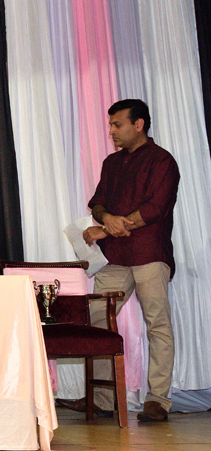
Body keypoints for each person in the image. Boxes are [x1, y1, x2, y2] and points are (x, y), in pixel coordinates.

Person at [81, 99, 179, 423]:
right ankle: (102, 399)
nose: (111, 131)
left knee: (157, 324)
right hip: (114, 256)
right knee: (97, 322)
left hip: (149, 253)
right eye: (110, 125)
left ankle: (158, 401)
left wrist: (114, 225)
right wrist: (107, 218)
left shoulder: (162, 160)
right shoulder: (111, 163)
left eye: (117, 124)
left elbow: (156, 207)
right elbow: (97, 204)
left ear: (139, 125)